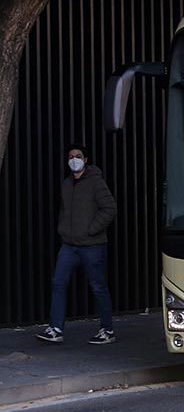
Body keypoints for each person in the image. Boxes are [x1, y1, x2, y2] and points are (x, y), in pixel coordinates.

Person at [36, 144, 118, 345]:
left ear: (86, 159)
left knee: (98, 287)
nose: (74, 159)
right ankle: (56, 329)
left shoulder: (96, 182)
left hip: (92, 245)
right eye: (71, 156)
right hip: (69, 245)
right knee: (58, 283)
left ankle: (107, 330)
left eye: (78, 156)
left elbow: (109, 208)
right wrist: (63, 230)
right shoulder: (66, 184)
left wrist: (91, 230)